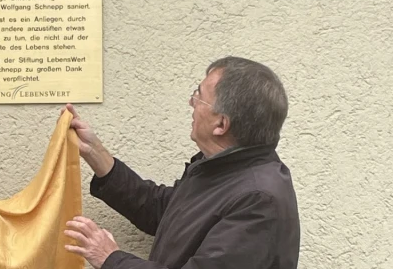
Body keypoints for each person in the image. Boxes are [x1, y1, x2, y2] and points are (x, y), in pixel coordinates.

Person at [63, 56, 300, 269]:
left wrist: (111, 259)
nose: (192, 103)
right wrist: (98, 156)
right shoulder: (222, 169)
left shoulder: (258, 201)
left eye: (199, 96)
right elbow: (165, 212)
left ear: (221, 125)